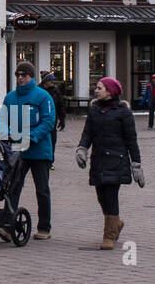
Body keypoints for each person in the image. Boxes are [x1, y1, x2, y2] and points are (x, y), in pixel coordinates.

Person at [76, 76, 144, 249]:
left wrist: (136, 164)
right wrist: (82, 148)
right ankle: (116, 223)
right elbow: (87, 133)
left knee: (111, 195)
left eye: (100, 88)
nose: (96, 91)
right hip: (98, 159)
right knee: (101, 196)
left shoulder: (124, 113)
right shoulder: (94, 110)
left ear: (109, 91)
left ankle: (109, 236)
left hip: (116, 160)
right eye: (97, 88)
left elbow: (131, 140)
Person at [0, 60, 55, 241]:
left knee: (42, 189)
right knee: (13, 187)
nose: (20, 78)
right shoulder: (10, 97)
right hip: (17, 150)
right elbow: (2, 119)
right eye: (18, 75)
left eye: (24, 75)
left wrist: (31, 137)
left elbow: (48, 122)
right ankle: (7, 224)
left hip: (39, 150)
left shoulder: (43, 97)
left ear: (32, 77)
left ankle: (44, 227)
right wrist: (5, 134)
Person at [38, 69, 65, 168]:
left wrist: (62, 119)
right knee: (42, 140)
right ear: (45, 81)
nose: (52, 82)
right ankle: (40, 160)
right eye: (50, 80)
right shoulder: (38, 91)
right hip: (41, 120)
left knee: (52, 141)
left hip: (52, 120)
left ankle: (50, 161)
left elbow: (61, 105)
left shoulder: (56, 91)